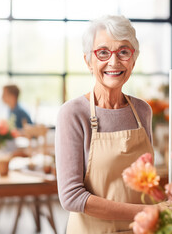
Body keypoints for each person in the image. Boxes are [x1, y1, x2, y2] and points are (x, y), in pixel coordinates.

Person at [55, 15, 158, 233]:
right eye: (103, 52)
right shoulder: (73, 113)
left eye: (123, 51)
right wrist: (146, 211)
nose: (114, 62)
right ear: (88, 61)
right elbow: (72, 197)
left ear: (133, 59)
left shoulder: (142, 111)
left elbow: (145, 184)